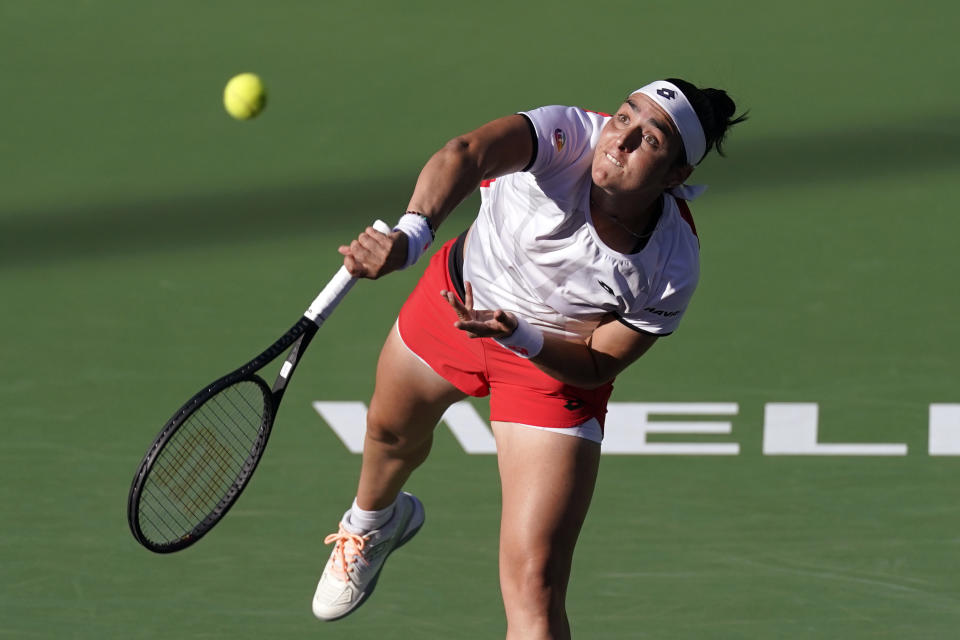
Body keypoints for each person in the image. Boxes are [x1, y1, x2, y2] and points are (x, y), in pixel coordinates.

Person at [311, 78, 746, 638]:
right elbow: (466, 154)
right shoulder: (565, 135)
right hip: (458, 300)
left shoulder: (671, 263)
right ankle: (372, 524)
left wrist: (523, 338)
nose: (622, 139)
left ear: (675, 176)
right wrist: (411, 237)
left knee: (536, 585)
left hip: (553, 364)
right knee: (390, 432)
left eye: (651, 141)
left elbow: (597, 364)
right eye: (624, 117)